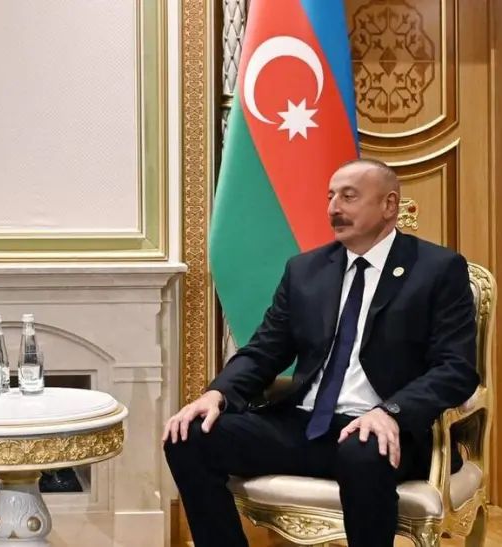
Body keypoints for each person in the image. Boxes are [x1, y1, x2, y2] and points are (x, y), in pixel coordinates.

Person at [163, 158, 479, 547]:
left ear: (389, 205)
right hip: (305, 424)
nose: (333, 208)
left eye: (348, 196)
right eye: (330, 197)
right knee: (188, 437)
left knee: (363, 452)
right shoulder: (306, 270)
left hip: (386, 430)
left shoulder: (437, 269)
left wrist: (391, 412)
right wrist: (217, 394)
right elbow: (263, 351)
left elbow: (456, 368)